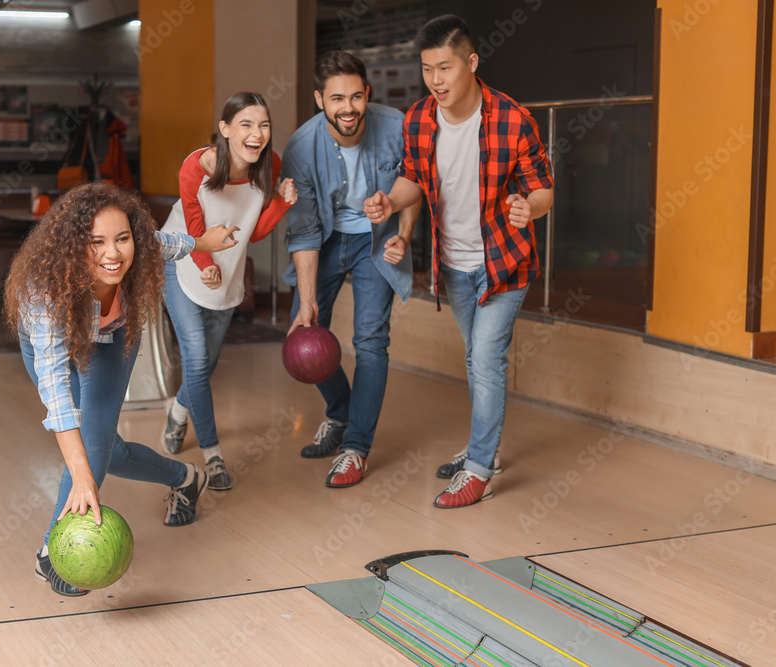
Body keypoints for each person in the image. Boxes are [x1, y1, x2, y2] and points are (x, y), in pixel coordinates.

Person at [3, 183, 239, 596]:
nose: (113, 253)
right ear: (73, 247)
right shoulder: (45, 293)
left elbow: (166, 242)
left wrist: (204, 241)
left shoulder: (140, 245)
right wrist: (80, 474)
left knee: (95, 444)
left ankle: (52, 551)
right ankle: (185, 477)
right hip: (46, 340)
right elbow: (57, 394)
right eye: (96, 243)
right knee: (100, 453)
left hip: (111, 339)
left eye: (122, 238)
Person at [364, 15, 554, 508]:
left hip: (504, 263)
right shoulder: (419, 120)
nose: (436, 80)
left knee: (486, 359)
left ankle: (480, 467)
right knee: (475, 359)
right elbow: (414, 180)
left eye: (445, 67)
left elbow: (543, 190)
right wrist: (389, 201)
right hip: (454, 264)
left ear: (471, 62)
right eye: (428, 69)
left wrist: (526, 207)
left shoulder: (513, 119)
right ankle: (482, 445)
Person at [282, 51, 420, 488]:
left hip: (375, 244)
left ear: (368, 94)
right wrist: (307, 301)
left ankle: (356, 449)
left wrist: (404, 234)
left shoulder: (396, 127)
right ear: (320, 98)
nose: (348, 108)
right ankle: (341, 413)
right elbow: (303, 232)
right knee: (303, 332)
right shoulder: (301, 148)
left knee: (371, 342)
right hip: (324, 241)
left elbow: (416, 185)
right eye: (337, 98)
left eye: (356, 97)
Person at [160, 92, 297, 491]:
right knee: (198, 360)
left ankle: (178, 410)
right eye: (246, 125)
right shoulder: (197, 166)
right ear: (225, 130)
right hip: (185, 263)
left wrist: (282, 204)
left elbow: (253, 229)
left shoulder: (269, 165)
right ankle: (213, 457)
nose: (257, 134)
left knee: (206, 366)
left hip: (229, 273)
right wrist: (206, 267)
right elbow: (194, 225)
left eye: (264, 125)